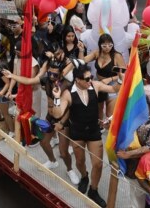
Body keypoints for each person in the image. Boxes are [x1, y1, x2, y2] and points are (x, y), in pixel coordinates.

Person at [49, 64, 121, 207]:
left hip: (93, 131)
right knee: (80, 162)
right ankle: (84, 177)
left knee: (98, 164)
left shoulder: (94, 85)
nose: (90, 80)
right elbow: (58, 114)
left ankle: (93, 190)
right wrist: (57, 98)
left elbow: (114, 89)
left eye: (91, 77)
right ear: (77, 79)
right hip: (77, 133)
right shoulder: (67, 93)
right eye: (87, 78)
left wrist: (120, 78)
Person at [5, 57, 80, 185]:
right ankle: (52, 161)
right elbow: (29, 81)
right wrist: (13, 76)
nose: (51, 75)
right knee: (43, 142)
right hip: (50, 117)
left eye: (54, 74)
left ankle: (70, 169)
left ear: (61, 73)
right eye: (49, 72)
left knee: (63, 151)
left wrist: (61, 123)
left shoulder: (66, 85)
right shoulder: (46, 80)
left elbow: (69, 109)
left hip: (64, 120)